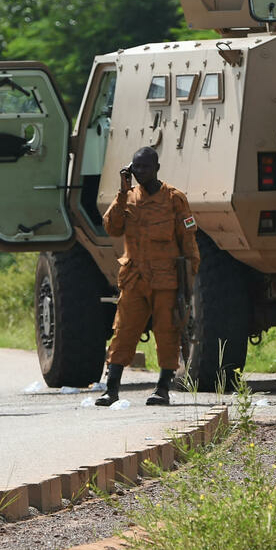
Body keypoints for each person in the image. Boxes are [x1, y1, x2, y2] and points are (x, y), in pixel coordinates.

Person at [96, 147, 201, 407]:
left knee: (167, 332)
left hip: (166, 281)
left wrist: (188, 282)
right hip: (134, 279)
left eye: (144, 167)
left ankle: (163, 388)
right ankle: (111, 389)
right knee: (123, 331)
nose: (140, 172)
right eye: (136, 167)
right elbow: (111, 227)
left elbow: (188, 243)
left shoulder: (175, 199)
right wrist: (122, 191)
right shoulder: (127, 198)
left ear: (156, 168)